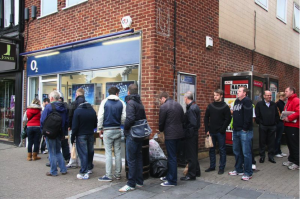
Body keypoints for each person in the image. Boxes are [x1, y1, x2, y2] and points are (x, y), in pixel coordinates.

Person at [119, 84, 146, 192]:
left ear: (128, 92)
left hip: (132, 134)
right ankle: (139, 181)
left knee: (131, 159)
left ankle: (131, 183)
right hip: (140, 134)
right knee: (138, 157)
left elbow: (130, 119)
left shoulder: (130, 103)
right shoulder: (140, 104)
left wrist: (125, 129)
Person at [98, 87, 126, 182]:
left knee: (108, 152)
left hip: (107, 130)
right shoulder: (121, 103)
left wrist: (99, 128)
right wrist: (120, 122)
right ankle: (118, 174)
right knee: (118, 152)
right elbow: (124, 117)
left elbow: (100, 116)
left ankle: (108, 175)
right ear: (117, 93)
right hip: (118, 129)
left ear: (108, 93)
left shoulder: (104, 102)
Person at [158, 91, 184, 186]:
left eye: (160, 100)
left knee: (171, 157)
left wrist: (161, 130)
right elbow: (182, 119)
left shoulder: (164, 107)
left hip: (170, 135)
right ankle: (169, 175)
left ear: (163, 98)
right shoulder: (178, 105)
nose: (160, 102)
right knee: (173, 156)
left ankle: (172, 180)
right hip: (179, 134)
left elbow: (161, 122)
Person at [40, 91, 68, 176]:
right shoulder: (64, 107)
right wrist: (63, 132)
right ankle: (63, 169)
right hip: (59, 132)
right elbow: (66, 121)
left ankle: (53, 171)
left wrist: (44, 132)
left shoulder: (48, 107)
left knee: (51, 152)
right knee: (58, 151)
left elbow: (42, 120)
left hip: (50, 133)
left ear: (51, 98)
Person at [228, 86, 253, 181]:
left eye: (239, 91)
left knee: (246, 152)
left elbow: (248, 116)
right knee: (236, 151)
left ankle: (248, 172)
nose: (237, 92)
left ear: (244, 93)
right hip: (236, 130)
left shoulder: (247, 101)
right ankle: (238, 169)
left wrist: (245, 128)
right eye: (237, 91)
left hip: (244, 131)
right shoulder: (236, 101)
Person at [204, 89, 231, 174]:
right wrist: (207, 129)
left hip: (220, 132)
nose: (215, 97)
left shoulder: (225, 106)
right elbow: (206, 117)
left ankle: (221, 167)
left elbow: (228, 119)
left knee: (222, 150)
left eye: (217, 95)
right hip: (211, 131)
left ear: (221, 96)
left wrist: (222, 129)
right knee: (211, 149)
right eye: (214, 95)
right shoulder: (210, 106)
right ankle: (212, 166)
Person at [71, 101, 97, 180]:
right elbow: (95, 124)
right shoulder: (92, 111)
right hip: (90, 134)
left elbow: (75, 126)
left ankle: (84, 172)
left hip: (81, 135)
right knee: (90, 152)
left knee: (83, 153)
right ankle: (89, 168)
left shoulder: (77, 111)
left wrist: (73, 137)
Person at [180, 91, 201, 180]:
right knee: (194, 154)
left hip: (191, 135)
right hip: (194, 134)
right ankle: (196, 171)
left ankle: (191, 175)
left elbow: (193, 123)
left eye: (184, 98)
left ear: (186, 98)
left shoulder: (191, 109)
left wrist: (187, 133)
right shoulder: (194, 106)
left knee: (191, 155)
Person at [255, 90, 279, 164]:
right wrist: (260, 122)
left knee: (271, 142)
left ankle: (271, 156)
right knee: (262, 141)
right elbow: (257, 115)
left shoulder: (273, 104)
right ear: (264, 96)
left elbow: (276, 115)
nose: (269, 97)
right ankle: (262, 156)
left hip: (272, 126)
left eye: (270, 95)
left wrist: (275, 123)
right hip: (263, 126)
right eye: (268, 95)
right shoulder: (259, 104)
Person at [66, 88, 86, 169]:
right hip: (84, 128)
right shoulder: (87, 103)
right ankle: (82, 164)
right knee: (83, 147)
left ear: (77, 94)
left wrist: (69, 125)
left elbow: (70, 115)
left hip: (74, 127)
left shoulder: (74, 103)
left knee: (73, 145)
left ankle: (73, 161)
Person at [282, 86, 300, 170]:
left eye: (286, 91)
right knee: (289, 144)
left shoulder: (296, 100)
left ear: (291, 92)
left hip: (294, 126)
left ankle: (297, 162)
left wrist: (289, 118)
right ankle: (291, 159)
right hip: (288, 125)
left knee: (294, 144)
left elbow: (298, 112)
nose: (285, 92)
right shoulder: (289, 100)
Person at [274, 92, 287, 158]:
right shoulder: (280, 103)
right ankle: (277, 151)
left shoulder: (277, 103)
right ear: (281, 97)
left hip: (279, 122)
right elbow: (282, 112)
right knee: (278, 137)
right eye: (284, 96)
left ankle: (279, 151)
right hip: (279, 122)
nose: (285, 98)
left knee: (278, 137)